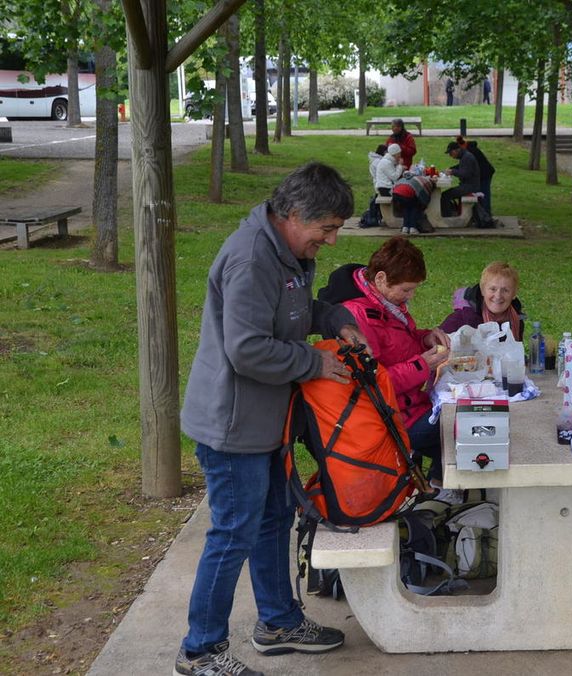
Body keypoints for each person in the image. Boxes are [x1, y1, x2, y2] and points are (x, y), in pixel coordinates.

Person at [176, 162, 366, 676]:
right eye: (325, 230)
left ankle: (279, 623)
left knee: (273, 521)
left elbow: (297, 310)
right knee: (233, 533)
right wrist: (313, 361)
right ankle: (200, 653)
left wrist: (338, 320)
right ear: (295, 214)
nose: (328, 241)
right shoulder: (252, 259)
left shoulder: (286, 251)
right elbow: (246, 349)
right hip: (234, 425)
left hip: (270, 422)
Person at [317, 238, 455, 497]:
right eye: (406, 290)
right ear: (380, 278)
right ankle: (442, 492)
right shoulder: (357, 317)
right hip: (388, 420)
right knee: (456, 425)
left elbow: (398, 345)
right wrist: (422, 365)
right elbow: (372, 382)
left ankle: (441, 488)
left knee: (461, 418)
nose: (410, 296)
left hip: (408, 405)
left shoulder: (386, 304)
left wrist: (424, 337)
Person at [440, 261, 525, 340]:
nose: (498, 296)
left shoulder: (516, 321)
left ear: (514, 294)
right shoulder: (462, 318)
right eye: (493, 289)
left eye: (505, 290)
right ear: (482, 291)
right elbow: (438, 341)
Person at [455, 135, 495, 214]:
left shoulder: (470, 152)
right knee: (481, 194)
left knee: (484, 194)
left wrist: (453, 170)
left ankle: (486, 215)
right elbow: (464, 165)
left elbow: (466, 167)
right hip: (481, 174)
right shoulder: (468, 150)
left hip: (485, 174)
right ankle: (482, 214)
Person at [440, 140, 480, 218]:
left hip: (470, 187)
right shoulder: (464, 156)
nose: (450, 155)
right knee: (446, 194)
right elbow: (460, 167)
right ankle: (450, 213)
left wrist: (452, 172)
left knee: (445, 195)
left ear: (457, 150)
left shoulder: (467, 157)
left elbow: (465, 174)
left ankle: (447, 217)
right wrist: (451, 169)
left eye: (451, 153)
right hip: (468, 185)